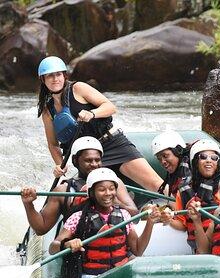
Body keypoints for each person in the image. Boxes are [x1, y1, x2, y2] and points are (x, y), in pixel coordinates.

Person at [36, 56, 163, 191]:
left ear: (64, 76)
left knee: (155, 184)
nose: (55, 79)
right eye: (50, 76)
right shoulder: (47, 111)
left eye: (58, 74)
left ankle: (178, 205)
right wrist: (59, 164)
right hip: (89, 159)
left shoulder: (78, 88)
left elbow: (110, 107)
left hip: (111, 144)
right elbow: (53, 144)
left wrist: (92, 114)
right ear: (43, 79)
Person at [49, 168, 161, 278]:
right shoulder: (78, 217)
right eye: (102, 190)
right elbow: (53, 248)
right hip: (91, 277)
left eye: (112, 189)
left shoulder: (124, 215)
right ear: (92, 193)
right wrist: (67, 243)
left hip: (120, 272)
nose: (108, 193)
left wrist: (150, 223)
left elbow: (138, 250)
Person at [21, 136, 138, 236]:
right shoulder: (63, 191)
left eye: (97, 160)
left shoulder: (114, 183)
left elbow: (135, 216)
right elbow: (41, 228)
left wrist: (113, 200)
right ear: (75, 161)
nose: (94, 165)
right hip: (82, 251)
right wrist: (28, 204)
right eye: (88, 160)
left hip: (117, 248)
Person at [162, 139, 220, 251]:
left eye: (214, 158)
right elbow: (182, 225)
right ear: (195, 162)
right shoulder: (184, 191)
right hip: (200, 251)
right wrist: (169, 219)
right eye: (203, 157)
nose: (209, 161)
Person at [151, 131, 191, 198]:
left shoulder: (193, 169)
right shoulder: (175, 174)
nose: (163, 162)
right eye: (159, 159)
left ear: (178, 151)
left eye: (165, 156)